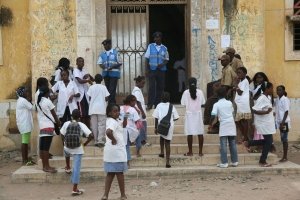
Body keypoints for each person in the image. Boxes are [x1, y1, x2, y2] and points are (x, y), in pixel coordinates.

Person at [52, 69, 80, 174]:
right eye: (62, 75)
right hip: (62, 109)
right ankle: (65, 147)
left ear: (68, 75)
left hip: (71, 108)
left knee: (73, 127)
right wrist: (54, 96)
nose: (63, 77)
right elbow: (51, 90)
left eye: (65, 75)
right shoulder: (59, 84)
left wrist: (73, 95)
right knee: (63, 128)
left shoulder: (72, 83)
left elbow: (78, 94)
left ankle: (73, 147)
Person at [60, 109, 93, 196]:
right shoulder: (81, 124)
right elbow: (91, 136)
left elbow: (62, 134)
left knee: (66, 150)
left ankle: (67, 166)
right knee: (76, 169)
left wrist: (64, 142)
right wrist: (85, 144)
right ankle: (75, 189)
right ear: (79, 117)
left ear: (71, 116)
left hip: (67, 148)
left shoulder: (66, 123)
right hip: (78, 149)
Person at [244, 82, 276, 167]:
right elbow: (254, 110)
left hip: (267, 123)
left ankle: (249, 143)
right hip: (263, 124)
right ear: (267, 89)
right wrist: (266, 112)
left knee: (267, 141)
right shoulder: (262, 98)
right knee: (268, 142)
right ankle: (262, 161)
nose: (272, 90)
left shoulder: (267, 97)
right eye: (271, 88)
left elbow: (266, 108)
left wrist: (270, 113)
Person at [101, 104, 128, 200]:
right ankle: (123, 195)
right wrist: (113, 139)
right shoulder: (112, 122)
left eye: (118, 111)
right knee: (119, 173)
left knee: (110, 173)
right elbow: (108, 132)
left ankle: (105, 195)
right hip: (117, 151)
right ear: (109, 113)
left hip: (111, 152)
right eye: (115, 111)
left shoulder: (114, 121)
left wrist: (125, 118)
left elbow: (123, 125)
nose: (117, 113)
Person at [209, 87, 238, 168]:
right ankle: (235, 161)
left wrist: (210, 124)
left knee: (223, 145)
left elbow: (213, 115)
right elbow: (232, 112)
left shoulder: (216, 104)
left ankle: (224, 162)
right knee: (232, 143)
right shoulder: (229, 103)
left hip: (224, 125)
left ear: (217, 95)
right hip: (231, 124)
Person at [36, 86, 60, 173]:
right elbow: (54, 115)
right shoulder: (48, 102)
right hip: (49, 126)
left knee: (43, 147)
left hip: (42, 126)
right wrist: (58, 123)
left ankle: (44, 166)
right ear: (47, 93)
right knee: (46, 148)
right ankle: (47, 166)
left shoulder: (39, 102)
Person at [153, 92, 179, 168]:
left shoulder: (159, 105)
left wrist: (155, 127)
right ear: (169, 99)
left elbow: (156, 117)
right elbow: (176, 117)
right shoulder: (171, 106)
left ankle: (162, 152)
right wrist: (171, 120)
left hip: (161, 125)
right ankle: (167, 161)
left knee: (161, 137)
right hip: (169, 126)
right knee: (167, 142)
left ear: (161, 98)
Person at [181, 77, 206, 156]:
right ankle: (200, 152)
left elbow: (183, 103)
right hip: (198, 114)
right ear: (196, 83)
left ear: (188, 83)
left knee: (190, 133)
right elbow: (203, 102)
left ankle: (190, 152)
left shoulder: (185, 92)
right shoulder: (200, 92)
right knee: (200, 132)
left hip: (189, 115)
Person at [145, 32, 169, 110]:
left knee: (160, 87)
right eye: (155, 37)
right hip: (152, 69)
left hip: (161, 70)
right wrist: (147, 69)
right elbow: (147, 58)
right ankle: (150, 104)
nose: (156, 39)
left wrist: (162, 64)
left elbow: (166, 59)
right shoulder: (150, 46)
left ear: (160, 38)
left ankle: (157, 104)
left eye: (157, 37)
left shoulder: (164, 48)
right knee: (152, 87)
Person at [87, 74, 110, 146]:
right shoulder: (104, 87)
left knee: (94, 125)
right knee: (101, 125)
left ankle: (95, 141)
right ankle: (100, 140)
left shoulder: (91, 87)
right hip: (101, 108)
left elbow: (89, 98)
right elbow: (107, 98)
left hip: (93, 109)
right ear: (102, 80)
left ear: (95, 79)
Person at [97, 39, 122, 104]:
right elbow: (100, 63)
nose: (105, 46)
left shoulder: (115, 52)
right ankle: (111, 104)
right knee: (107, 90)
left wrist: (112, 67)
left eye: (106, 45)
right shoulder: (102, 54)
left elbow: (120, 62)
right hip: (106, 74)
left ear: (110, 45)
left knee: (112, 89)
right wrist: (104, 67)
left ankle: (111, 104)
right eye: (104, 45)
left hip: (114, 74)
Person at [120, 95, 141, 167]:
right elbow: (137, 120)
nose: (135, 103)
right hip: (131, 130)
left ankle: (126, 162)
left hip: (122, 129)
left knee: (126, 146)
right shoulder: (132, 110)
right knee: (138, 135)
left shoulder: (120, 108)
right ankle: (138, 151)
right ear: (130, 101)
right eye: (134, 101)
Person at [16, 86, 35, 166]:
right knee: (25, 142)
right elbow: (33, 107)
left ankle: (26, 159)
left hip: (23, 123)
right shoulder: (23, 100)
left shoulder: (20, 100)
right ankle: (25, 160)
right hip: (25, 124)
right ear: (22, 93)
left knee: (25, 142)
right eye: (26, 92)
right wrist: (29, 99)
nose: (28, 93)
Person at [73, 57, 94, 128]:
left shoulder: (84, 70)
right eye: (80, 61)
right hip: (80, 95)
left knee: (87, 114)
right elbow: (80, 81)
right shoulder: (75, 71)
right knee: (81, 114)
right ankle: (82, 129)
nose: (81, 63)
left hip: (86, 94)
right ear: (76, 63)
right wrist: (88, 81)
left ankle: (88, 130)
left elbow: (93, 79)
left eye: (82, 62)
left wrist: (89, 75)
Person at [234, 67, 251, 142]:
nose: (238, 74)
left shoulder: (245, 81)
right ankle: (245, 136)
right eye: (237, 73)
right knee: (238, 121)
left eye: (240, 72)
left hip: (243, 104)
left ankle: (245, 137)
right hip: (240, 104)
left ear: (245, 73)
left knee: (243, 120)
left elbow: (240, 92)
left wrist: (236, 85)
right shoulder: (241, 81)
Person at [132, 75, 150, 146]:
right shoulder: (137, 91)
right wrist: (142, 112)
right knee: (142, 126)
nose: (143, 85)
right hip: (140, 112)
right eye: (142, 83)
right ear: (137, 82)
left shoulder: (137, 90)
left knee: (141, 126)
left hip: (139, 111)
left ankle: (141, 140)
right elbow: (138, 102)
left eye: (144, 83)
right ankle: (143, 141)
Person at [275, 85, 290, 162]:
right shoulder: (278, 99)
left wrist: (282, 123)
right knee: (282, 138)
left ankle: (285, 156)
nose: (278, 91)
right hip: (279, 121)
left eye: (280, 90)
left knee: (284, 139)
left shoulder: (285, 99)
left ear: (284, 91)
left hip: (284, 122)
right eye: (277, 90)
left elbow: (286, 111)